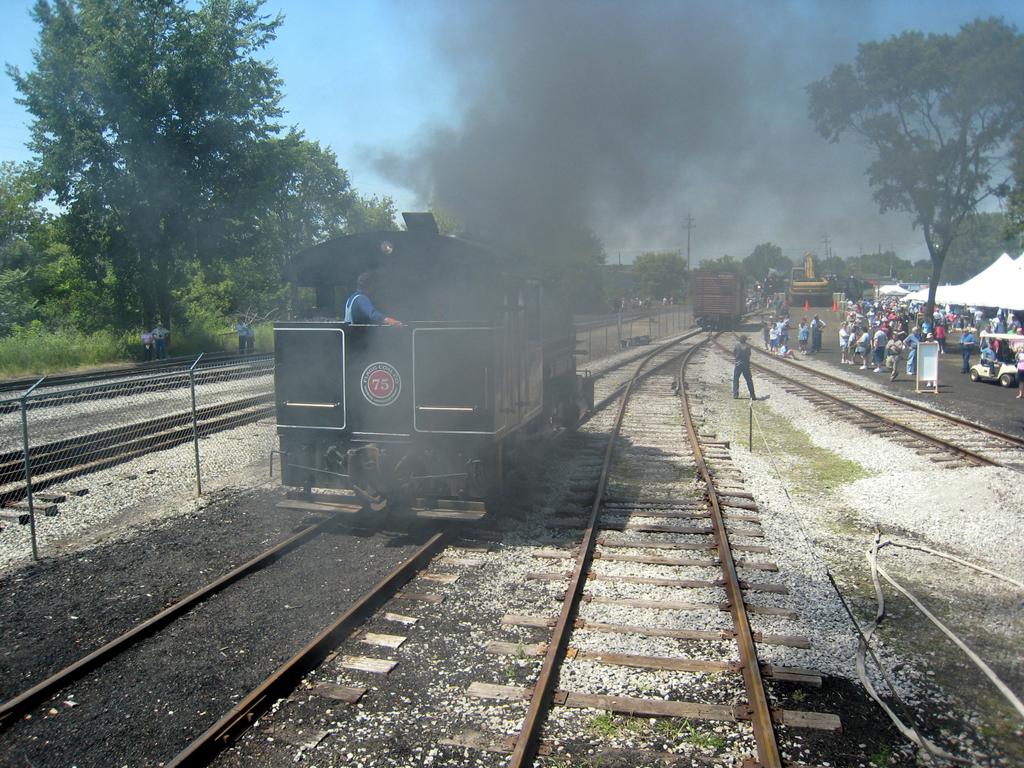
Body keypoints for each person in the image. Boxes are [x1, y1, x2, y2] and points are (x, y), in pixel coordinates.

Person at [732, 335, 756, 400]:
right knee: (749, 380)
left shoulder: (737, 346)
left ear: (740, 340)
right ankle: (753, 395)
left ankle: (735, 394)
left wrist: (737, 359)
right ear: (745, 340)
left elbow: (734, 353)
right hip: (746, 365)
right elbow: (749, 354)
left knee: (736, 379)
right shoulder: (748, 347)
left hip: (738, 364)